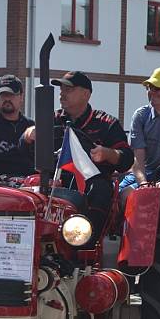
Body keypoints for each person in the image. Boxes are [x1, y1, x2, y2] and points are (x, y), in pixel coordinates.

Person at [47, 71, 133, 246]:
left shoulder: (107, 123)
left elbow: (126, 160)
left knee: (99, 189)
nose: (62, 93)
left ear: (86, 94)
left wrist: (108, 153)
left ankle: (84, 245)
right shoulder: (50, 119)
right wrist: (27, 136)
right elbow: (24, 151)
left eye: (68, 89)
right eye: (61, 89)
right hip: (55, 180)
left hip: (92, 183)